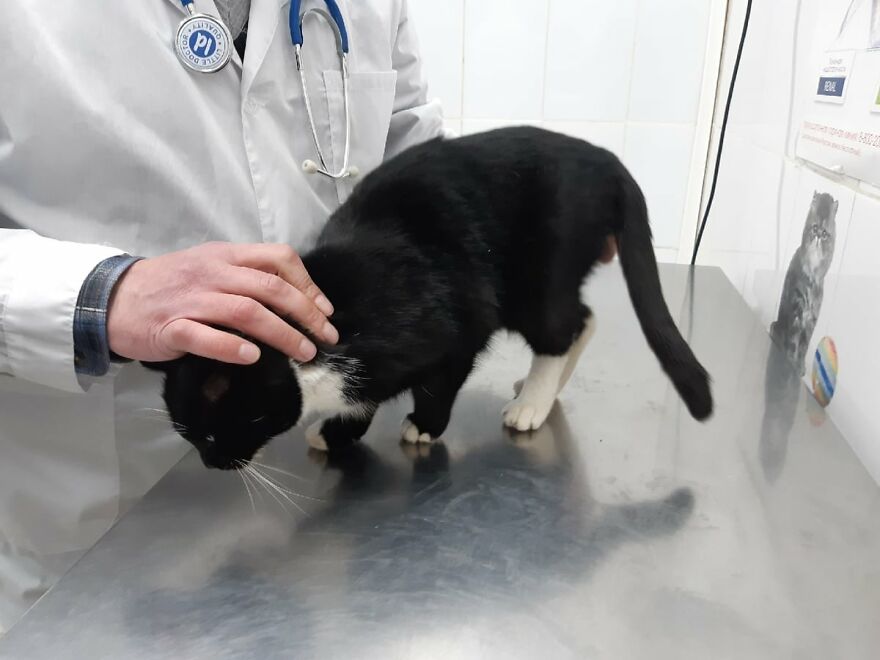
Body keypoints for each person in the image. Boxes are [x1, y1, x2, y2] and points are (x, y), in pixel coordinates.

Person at [0, 0, 617, 633]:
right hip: (100, 541)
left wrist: (531, 231)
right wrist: (100, 297)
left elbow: (415, 159)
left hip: (326, 524)